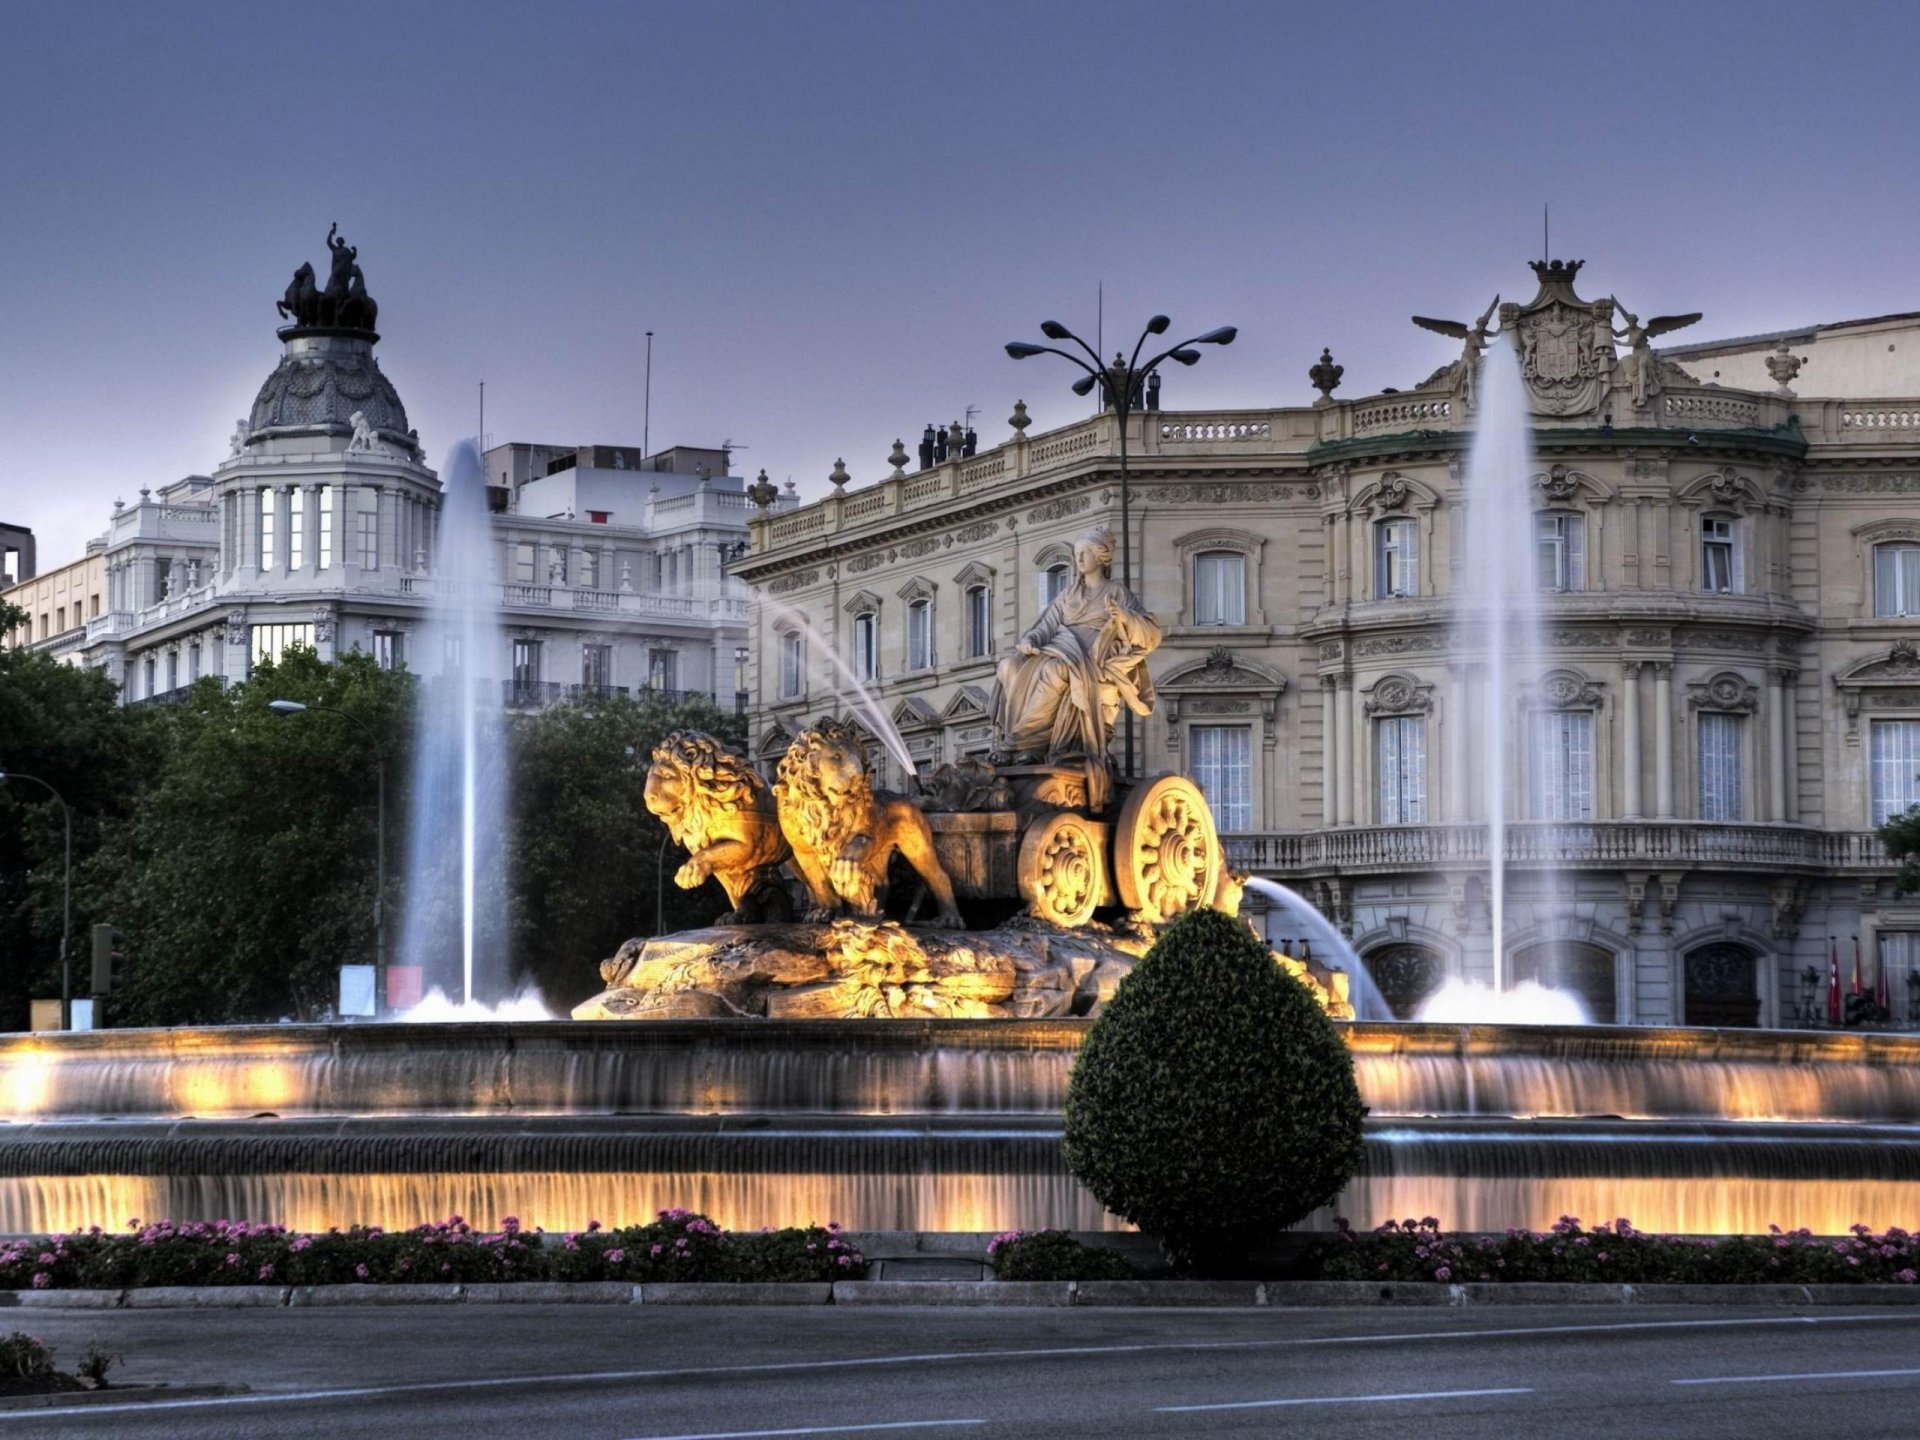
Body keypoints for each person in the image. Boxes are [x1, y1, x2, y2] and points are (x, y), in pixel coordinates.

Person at [988, 527, 1161, 810]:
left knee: (1054, 671)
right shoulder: (1068, 594)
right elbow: (1047, 625)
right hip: (1059, 645)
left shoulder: (1116, 592)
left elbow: (1151, 634)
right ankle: (1021, 744)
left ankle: (1019, 743)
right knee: (1008, 666)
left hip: (1090, 657)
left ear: (1100, 557)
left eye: (1085, 553)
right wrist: (1030, 640)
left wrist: (1125, 617)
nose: (1079, 559)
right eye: (1077, 554)